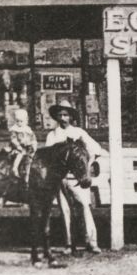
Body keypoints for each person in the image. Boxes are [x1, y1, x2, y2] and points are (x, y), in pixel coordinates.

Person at [45, 99, 102, 255]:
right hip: (60, 178)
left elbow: (96, 150)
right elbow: (49, 157)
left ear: (71, 116)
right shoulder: (52, 135)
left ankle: (91, 242)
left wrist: (87, 166)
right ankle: (69, 244)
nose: (63, 118)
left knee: (84, 206)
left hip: (77, 179)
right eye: (60, 115)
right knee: (65, 210)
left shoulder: (79, 133)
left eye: (66, 115)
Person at [7, 108, 36, 183]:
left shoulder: (28, 130)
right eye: (17, 121)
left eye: (21, 121)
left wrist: (33, 145)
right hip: (19, 149)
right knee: (20, 154)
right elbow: (13, 139)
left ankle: (28, 175)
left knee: (33, 158)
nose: (19, 123)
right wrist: (18, 146)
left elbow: (33, 139)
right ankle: (15, 167)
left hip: (28, 149)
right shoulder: (14, 130)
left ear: (26, 121)